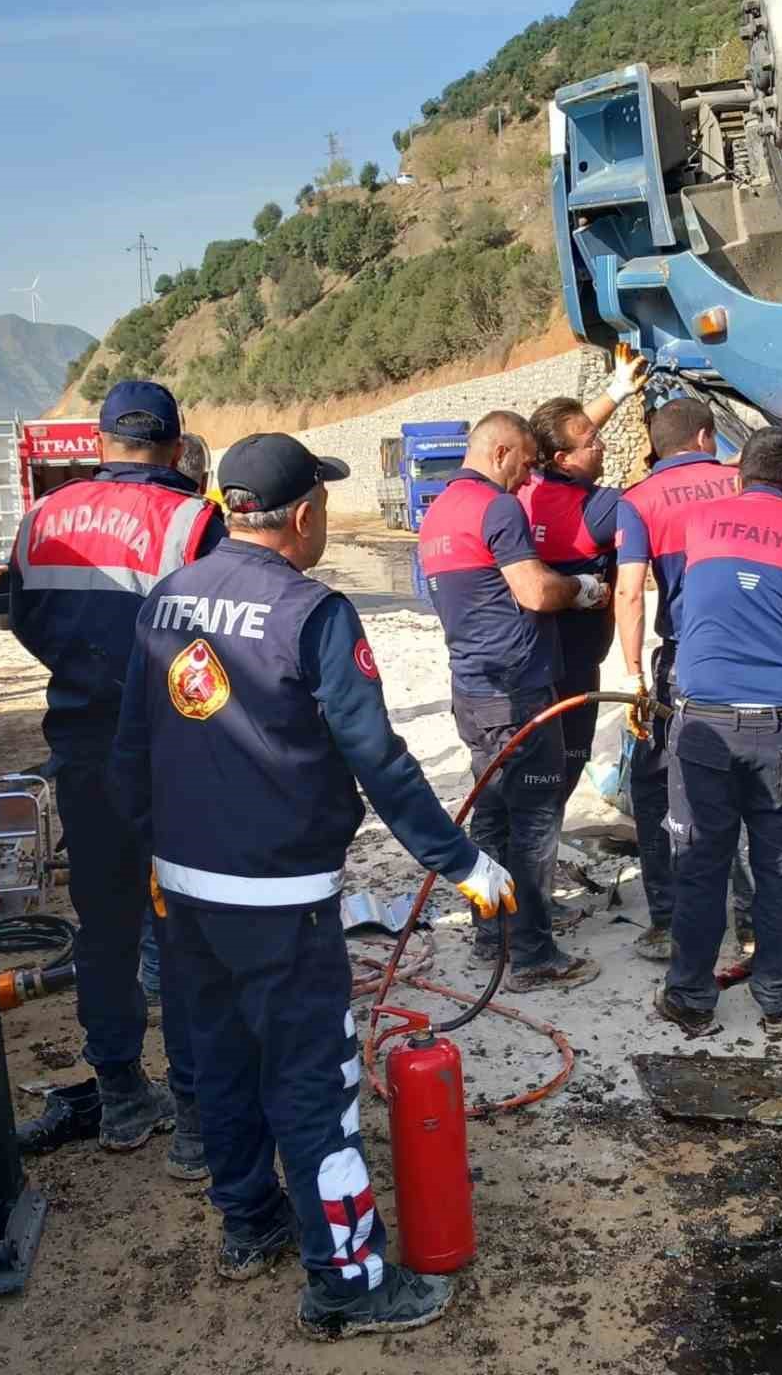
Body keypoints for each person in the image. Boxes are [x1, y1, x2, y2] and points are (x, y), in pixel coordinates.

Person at [109, 432, 514, 1339]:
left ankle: (249, 1223)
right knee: (311, 1083)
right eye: (322, 504)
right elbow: (377, 756)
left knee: (218, 1065)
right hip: (280, 899)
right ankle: (347, 1282)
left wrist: (156, 855)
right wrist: (462, 863)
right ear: (302, 516)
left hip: (184, 893)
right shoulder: (313, 613)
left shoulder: (168, 600)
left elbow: (130, 747)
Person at [8, 380, 224, 1169]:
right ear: (174, 445)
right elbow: (221, 634)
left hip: (86, 749)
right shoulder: (194, 519)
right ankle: (199, 1124)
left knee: (105, 931)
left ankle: (126, 1098)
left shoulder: (42, 519)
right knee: (185, 932)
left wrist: (85, 677)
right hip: (174, 756)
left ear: (100, 443)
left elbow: (26, 621)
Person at [654, 428, 782, 1038]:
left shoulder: (696, 523)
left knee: (699, 864)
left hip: (704, 727)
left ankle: (689, 1000)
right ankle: (779, 1003)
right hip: (781, 731)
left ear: (739, 474)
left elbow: (678, 603)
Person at [418, 411, 608, 992]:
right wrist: (583, 589)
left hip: (471, 692)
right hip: (518, 695)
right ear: (500, 452)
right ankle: (532, 956)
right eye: (526, 464)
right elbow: (533, 590)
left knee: (492, 818)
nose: (528, 480)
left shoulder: (439, 513)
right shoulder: (496, 508)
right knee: (534, 824)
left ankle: (489, 932)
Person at [613, 399, 740, 960]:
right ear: (708, 436)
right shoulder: (742, 481)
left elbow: (628, 591)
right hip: (753, 656)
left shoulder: (637, 501)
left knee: (659, 784)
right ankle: (755, 920)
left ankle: (667, 920)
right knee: (751, 782)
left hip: (687, 661)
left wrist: (635, 674)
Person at [138, 426, 214, 1005]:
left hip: (99, 720)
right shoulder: (196, 525)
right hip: (185, 725)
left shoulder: (58, 516)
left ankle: (154, 972)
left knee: (133, 869)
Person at [518, 398, 621, 808]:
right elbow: (663, 501)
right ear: (561, 458)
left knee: (528, 775)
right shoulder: (601, 508)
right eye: (593, 441)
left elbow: (557, 440)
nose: (603, 446)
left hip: (525, 661)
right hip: (576, 665)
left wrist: (614, 392)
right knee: (565, 770)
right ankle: (534, 862)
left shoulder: (524, 489)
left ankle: (514, 857)